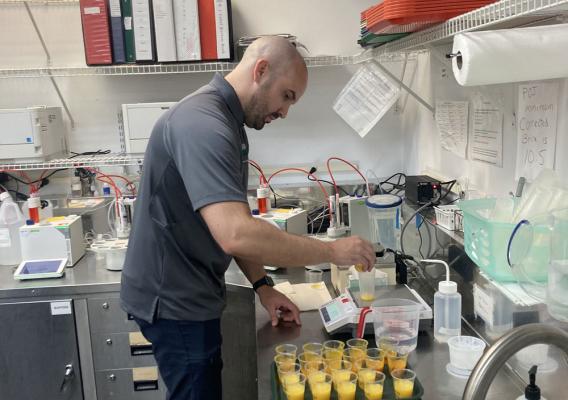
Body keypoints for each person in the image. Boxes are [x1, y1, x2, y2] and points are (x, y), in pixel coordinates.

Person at [120, 36, 375, 400]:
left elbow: (232, 216)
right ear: (260, 71)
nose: (286, 111)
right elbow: (236, 233)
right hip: (175, 300)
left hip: (189, 291)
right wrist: (332, 251)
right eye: (287, 95)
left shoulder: (228, 121)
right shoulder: (203, 124)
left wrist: (263, 286)